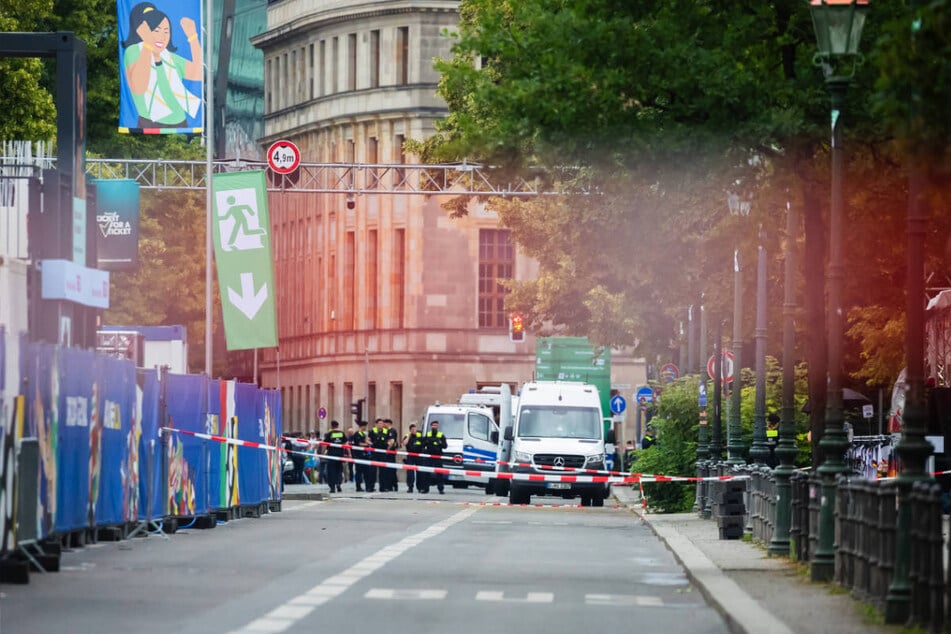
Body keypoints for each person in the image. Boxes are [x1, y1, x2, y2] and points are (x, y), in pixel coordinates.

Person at [121, 2, 203, 129]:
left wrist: (192, 37)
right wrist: (148, 46)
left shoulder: (168, 57)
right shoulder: (133, 51)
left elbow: (199, 74)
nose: (162, 37)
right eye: (156, 30)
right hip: (149, 122)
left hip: (180, 122)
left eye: (166, 31)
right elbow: (138, 88)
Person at [423, 420, 448, 494]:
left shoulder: (441, 435)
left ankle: (441, 489)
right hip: (429, 456)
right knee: (427, 473)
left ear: (438, 426)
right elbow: (423, 444)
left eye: (436, 425)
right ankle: (425, 489)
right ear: (431, 426)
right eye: (433, 425)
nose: (434, 427)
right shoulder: (428, 434)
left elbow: (445, 446)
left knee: (439, 473)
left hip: (438, 456)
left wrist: (440, 443)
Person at [322, 420, 347, 493]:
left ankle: (332, 487)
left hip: (331, 455)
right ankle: (338, 484)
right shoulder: (342, 433)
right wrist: (347, 454)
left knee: (331, 471)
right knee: (339, 470)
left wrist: (323, 454)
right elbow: (346, 444)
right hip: (340, 455)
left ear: (331, 426)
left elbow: (325, 444)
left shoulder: (329, 433)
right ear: (337, 425)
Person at [403, 423, 425, 493]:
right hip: (410, 456)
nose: (414, 430)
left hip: (419, 455)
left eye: (415, 429)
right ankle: (410, 487)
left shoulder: (420, 435)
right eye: (412, 429)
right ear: (410, 430)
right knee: (410, 472)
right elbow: (404, 443)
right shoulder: (407, 436)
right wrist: (409, 436)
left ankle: (420, 487)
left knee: (420, 472)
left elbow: (424, 444)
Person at [352, 420, 372, 492]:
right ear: (362, 426)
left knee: (367, 472)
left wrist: (368, 442)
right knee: (359, 472)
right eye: (365, 426)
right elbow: (359, 443)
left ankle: (368, 486)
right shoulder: (357, 434)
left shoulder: (363, 434)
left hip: (365, 455)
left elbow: (367, 440)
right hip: (359, 455)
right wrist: (367, 444)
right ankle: (358, 487)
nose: (366, 428)